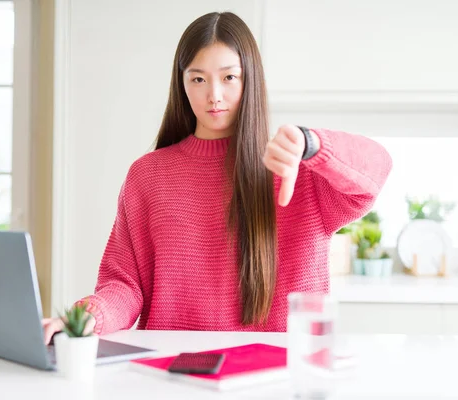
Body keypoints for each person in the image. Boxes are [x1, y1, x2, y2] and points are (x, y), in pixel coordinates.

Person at [43, 11, 392, 343]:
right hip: (172, 372)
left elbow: (376, 170)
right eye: (198, 79)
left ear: (249, 79)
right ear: (181, 85)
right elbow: (125, 284)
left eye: (229, 77)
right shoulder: (148, 175)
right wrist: (88, 318)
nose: (214, 95)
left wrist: (312, 143)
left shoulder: (294, 170)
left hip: (274, 377)